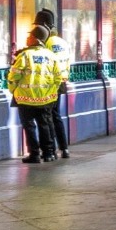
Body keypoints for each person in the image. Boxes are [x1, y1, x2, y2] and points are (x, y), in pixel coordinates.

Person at [9, 26, 64, 163]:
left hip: (25, 98)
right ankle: (48, 153)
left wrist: (13, 90)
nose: (27, 39)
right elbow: (58, 78)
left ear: (36, 39)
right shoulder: (51, 56)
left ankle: (34, 154)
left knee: (29, 126)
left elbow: (13, 76)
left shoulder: (24, 55)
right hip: (45, 99)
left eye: (30, 36)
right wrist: (51, 92)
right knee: (44, 124)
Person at [35, 8, 72, 158]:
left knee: (47, 116)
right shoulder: (62, 42)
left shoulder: (46, 42)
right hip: (61, 82)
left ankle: (51, 150)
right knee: (56, 115)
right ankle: (64, 148)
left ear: (44, 25)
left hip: (49, 83)